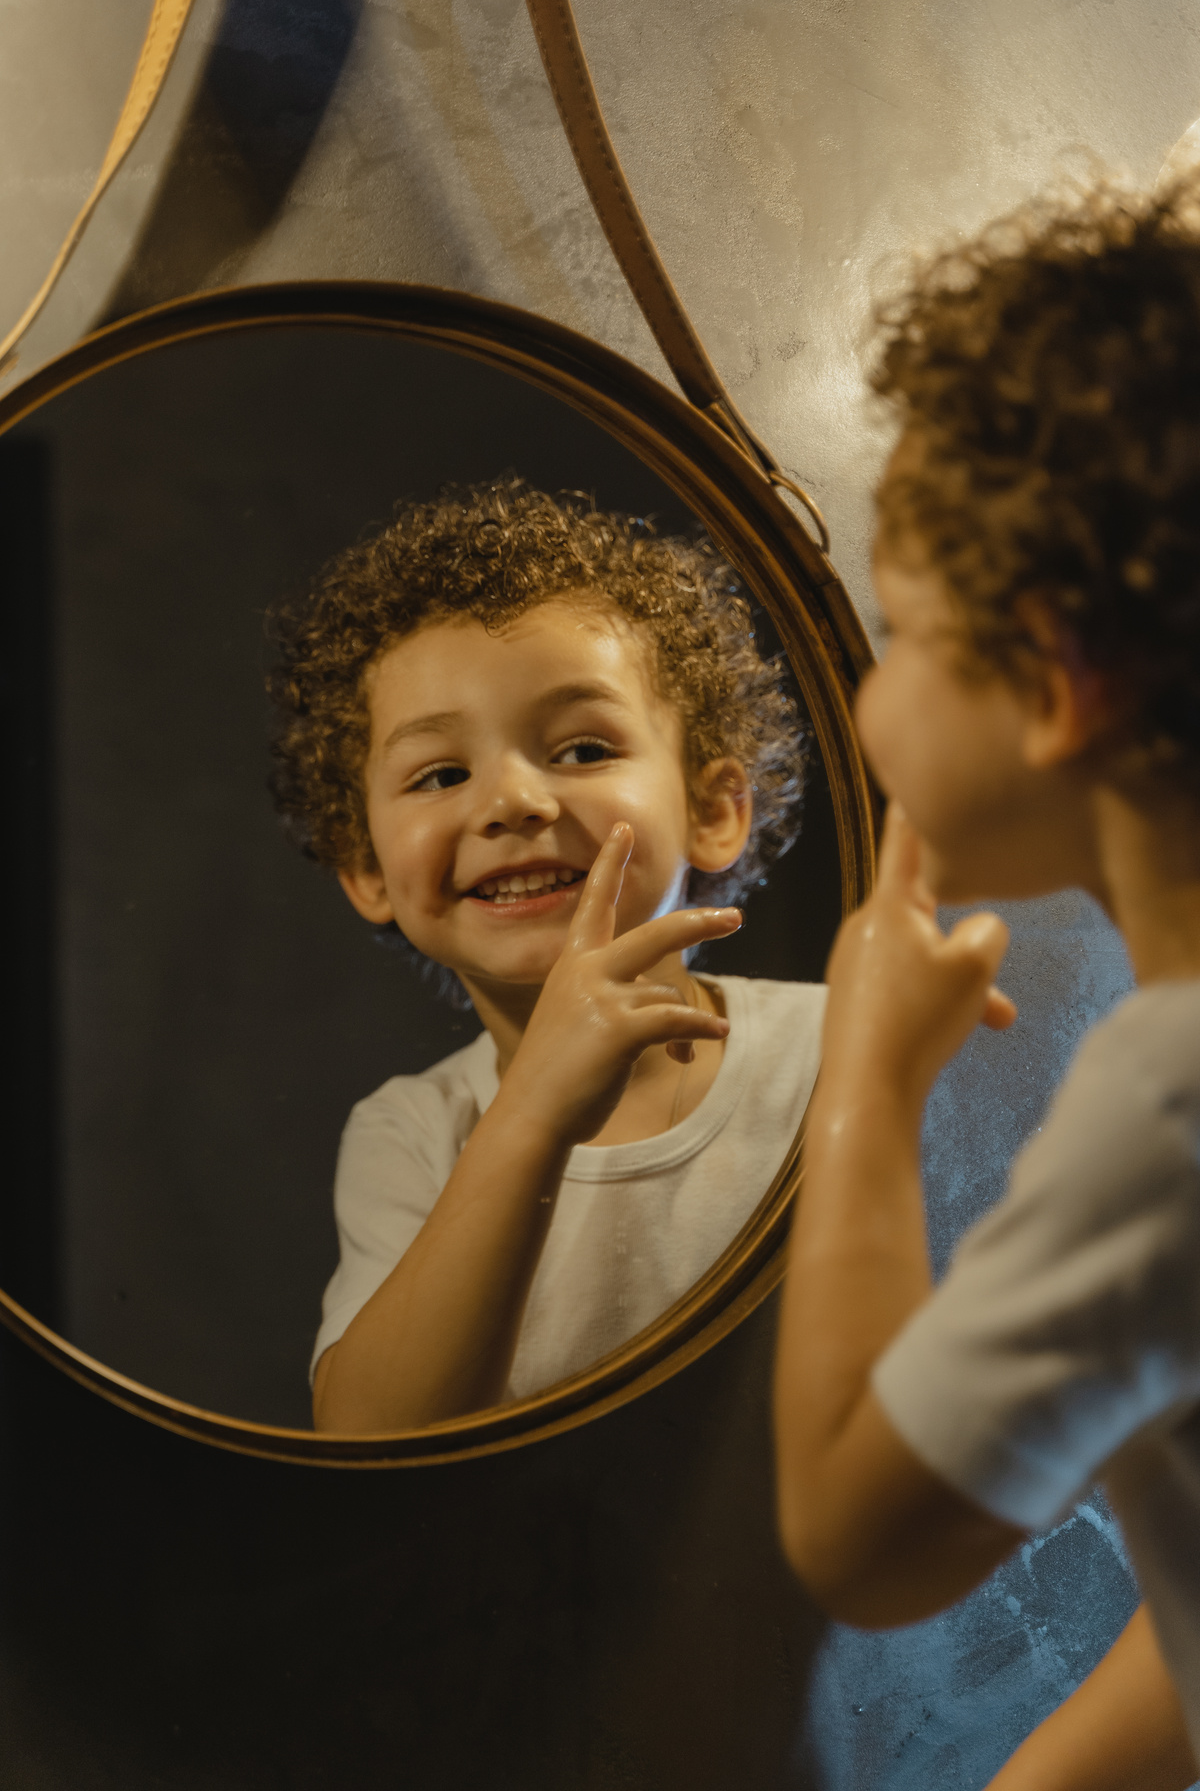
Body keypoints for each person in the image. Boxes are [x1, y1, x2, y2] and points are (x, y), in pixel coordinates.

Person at [773, 176, 1200, 1788]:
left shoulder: (1168, 1108)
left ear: (1055, 685)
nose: (869, 698)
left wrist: (870, 1084)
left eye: (896, 632)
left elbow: (859, 1537)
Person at [267, 479, 825, 1433]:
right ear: (365, 866)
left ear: (713, 809)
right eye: (442, 773)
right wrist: (532, 1109)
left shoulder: (836, 1044)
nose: (514, 800)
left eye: (580, 749)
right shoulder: (412, 1135)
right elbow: (368, 1441)